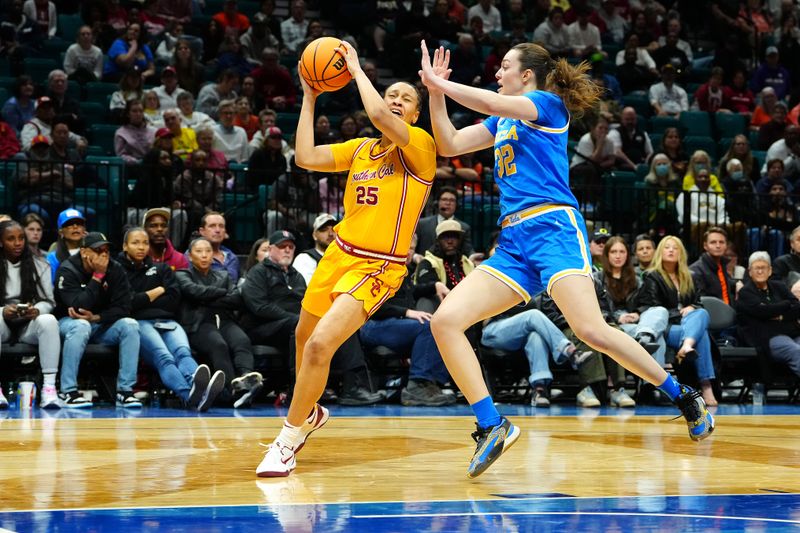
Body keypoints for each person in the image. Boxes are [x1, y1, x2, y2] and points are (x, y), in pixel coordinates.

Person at [417, 41, 713, 478]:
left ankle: (682, 393)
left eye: (504, 67)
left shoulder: (547, 104)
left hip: (553, 227)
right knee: (445, 322)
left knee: (591, 329)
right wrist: (436, 94)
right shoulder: (504, 118)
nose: (498, 74)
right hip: (514, 239)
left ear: (527, 75)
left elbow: (488, 98)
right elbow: (450, 143)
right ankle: (491, 424)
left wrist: (440, 81)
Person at [256, 41, 437, 477]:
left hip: (379, 264)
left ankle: (287, 439)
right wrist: (310, 96)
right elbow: (305, 157)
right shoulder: (361, 150)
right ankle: (310, 412)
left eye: (405, 97)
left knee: (322, 344)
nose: (395, 100)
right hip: (338, 254)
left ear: (414, 115)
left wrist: (356, 69)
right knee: (303, 339)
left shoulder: (421, 147)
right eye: (391, 93)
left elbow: (377, 115)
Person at [241, 230, 381, 405]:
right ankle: (297, 392)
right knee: (300, 326)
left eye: (290, 247)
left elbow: (308, 302)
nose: (287, 250)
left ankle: (352, 388)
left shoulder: (296, 275)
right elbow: (259, 307)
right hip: (262, 327)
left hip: (290, 323)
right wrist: (299, 318)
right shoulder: (258, 272)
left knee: (341, 326)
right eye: (282, 246)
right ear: (270, 249)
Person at [119, 227, 223, 411]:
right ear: (125, 246)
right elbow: (129, 303)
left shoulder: (162, 268)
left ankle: (197, 387)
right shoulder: (119, 271)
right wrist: (159, 291)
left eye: (145, 242)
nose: (141, 247)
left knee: (183, 353)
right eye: (135, 243)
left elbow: (173, 300)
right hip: (140, 323)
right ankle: (188, 394)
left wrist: (144, 299)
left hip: (169, 321)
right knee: (164, 357)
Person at [54, 232, 142, 408]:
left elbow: (125, 306)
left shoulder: (115, 269)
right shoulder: (68, 269)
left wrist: (98, 317)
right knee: (81, 325)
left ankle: (125, 391)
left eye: (107, 251)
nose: (104, 255)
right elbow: (77, 308)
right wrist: (97, 277)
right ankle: (68, 391)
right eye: (98, 250)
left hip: (101, 325)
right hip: (68, 323)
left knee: (130, 325)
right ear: (85, 252)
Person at [176, 237, 262, 408]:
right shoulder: (182, 274)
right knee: (219, 344)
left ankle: (247, 380)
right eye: (199, 251)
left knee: (242, 340)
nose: (204, 255)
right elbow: (193, 291)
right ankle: (230, 391)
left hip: (224, 320)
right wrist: (222, 292)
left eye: (208, 251)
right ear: (190, 256)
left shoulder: (222, 275)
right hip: (198, 323)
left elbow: (237, 298)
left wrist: (206, 298)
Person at [638, 236, 719, 406]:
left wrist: (692, 309)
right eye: (667, 247)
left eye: (675, 248)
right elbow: (653, 309)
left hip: (689, 326)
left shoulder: (691, 276)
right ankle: (706, 386)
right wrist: (682, 312)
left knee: (701, 313)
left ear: (681, 252)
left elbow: (698, 303)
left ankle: (687, 345)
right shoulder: (652, 276)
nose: (671, 250)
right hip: (666, 328)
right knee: (701, 332)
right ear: (661, 251)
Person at [0, 220, 61, 409]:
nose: (18, 243)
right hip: (3, 324)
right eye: (11, 239)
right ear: (1, 242)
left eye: (21, 238)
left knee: (49, 320)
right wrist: (3, 311)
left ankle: (49, 389)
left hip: (28, 324)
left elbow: (49, 301)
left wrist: (37, 310)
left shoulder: (39, 265)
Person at [736, 251, 800, 387]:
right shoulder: (745, 292)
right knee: (795, 351)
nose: (760, 271)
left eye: (763, 268)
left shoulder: (779, 286)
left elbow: (797, 307)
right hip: (766, 338)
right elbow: (762, 311)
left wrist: (779, 315)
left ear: (770, 270)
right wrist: (786, 304)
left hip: (791, 332)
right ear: (750, 271)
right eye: (756, 268)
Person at [292, 213, 336, 284]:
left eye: (334, 229)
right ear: (314, 235)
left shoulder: (345, 258)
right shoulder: (305, 259)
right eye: (324, 230)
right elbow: (303, 290)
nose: (330, 234)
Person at [46, 209, 86, 283]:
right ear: (60, 231)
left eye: (79, 223)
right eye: (69, 224)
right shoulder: (52, 258)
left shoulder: (92, 252)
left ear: (84, 229)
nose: (75, 226)